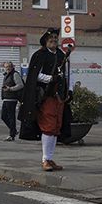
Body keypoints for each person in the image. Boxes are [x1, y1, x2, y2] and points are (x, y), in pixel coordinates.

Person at [19, 29, 72, 171]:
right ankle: (45, 160)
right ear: (45, 40)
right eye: (51, 38)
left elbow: (65, 75)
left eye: (55, 37)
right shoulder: (40, 55)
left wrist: (68, 90)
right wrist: (52, 78)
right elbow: (36, 75)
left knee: (55, 127)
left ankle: (49, 158)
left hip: (59, 97)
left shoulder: (61, 55)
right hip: (45, 96)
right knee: (48, 127)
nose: (54, 40)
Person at [0, 61, 25, 141]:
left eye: (9, 67)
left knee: (11, 117)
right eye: (6, 67)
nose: (7, 68)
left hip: (12, 99)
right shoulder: (6, 75)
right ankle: (13, 130)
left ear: (12, 67)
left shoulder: (15, 74)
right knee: (3, 116)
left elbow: (20, 85)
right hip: (6, 98)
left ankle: (12, 135)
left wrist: (10, 89)